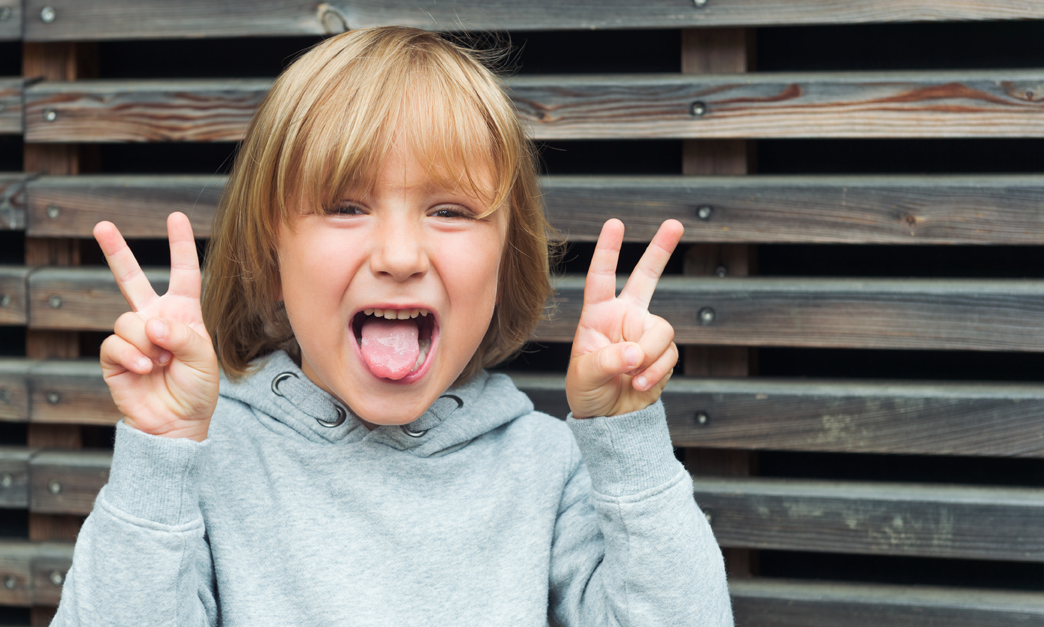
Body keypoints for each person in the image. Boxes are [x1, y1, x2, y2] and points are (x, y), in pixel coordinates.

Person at [52, 26, 732, 626]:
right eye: (346, 207)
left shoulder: (548, 470)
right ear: (271, 250)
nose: (400, 256)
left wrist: (627, 446)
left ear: (506, 254)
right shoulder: (201, 461)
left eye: (449, 210)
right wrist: (158, 456)